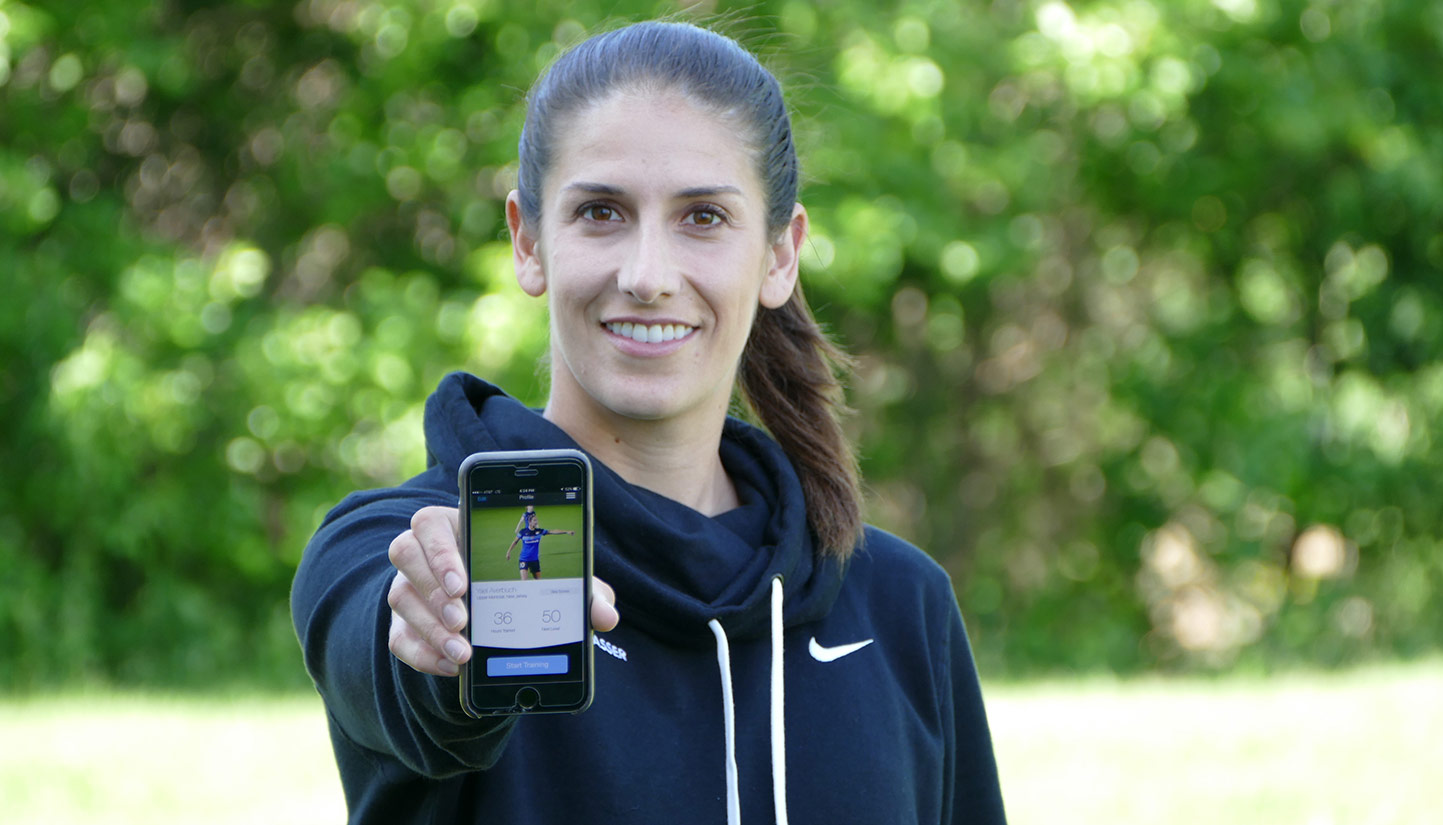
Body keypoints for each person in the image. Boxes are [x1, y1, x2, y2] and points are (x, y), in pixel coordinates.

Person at [291, 19, 1005, 825]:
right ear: (527, 241)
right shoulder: (399, 546)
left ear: (779, 254)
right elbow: (391, 656)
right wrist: (445, 644)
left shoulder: (900, 604)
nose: (647, 276)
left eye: (702, 217)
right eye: (600, 212)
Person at [504, 510, 575, 579]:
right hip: (523, 559)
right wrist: (508, 552)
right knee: (524, 582)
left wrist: (566, 532)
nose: (536, 522)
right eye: (534, 520)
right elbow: (515, 542)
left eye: (536, 520)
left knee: (538, 582)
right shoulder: (523, 532)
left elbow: (553, 531)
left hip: (534, 560)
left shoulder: (539, 531)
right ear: (529, 522)